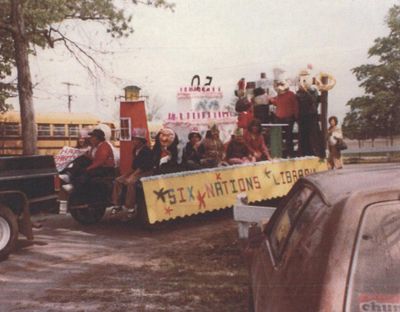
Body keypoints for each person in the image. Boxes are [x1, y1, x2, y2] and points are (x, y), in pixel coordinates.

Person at [112, 128, 153, 212]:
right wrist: (126, 175)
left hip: (146, 172)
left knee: (131, 182)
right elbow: (134, 167)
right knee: (118, 180)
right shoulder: (135, 150)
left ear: (141, 141)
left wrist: (132, 176)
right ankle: (117, 204)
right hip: (137, 171)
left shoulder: (146, 151)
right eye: (133, 139)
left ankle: (130, 206)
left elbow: (143, 167)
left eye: (135, 139)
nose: (133, 141)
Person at [270, 80, 299, 157]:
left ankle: (290, 154)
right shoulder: (279, 96)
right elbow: (278, 103)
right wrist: (272, 100)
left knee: (288, 137)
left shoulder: (291, 94)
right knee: (279, 136)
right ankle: (280, 153)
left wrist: (296, 116)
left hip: (288, 118)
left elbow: (295, 106)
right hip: (279, 118)